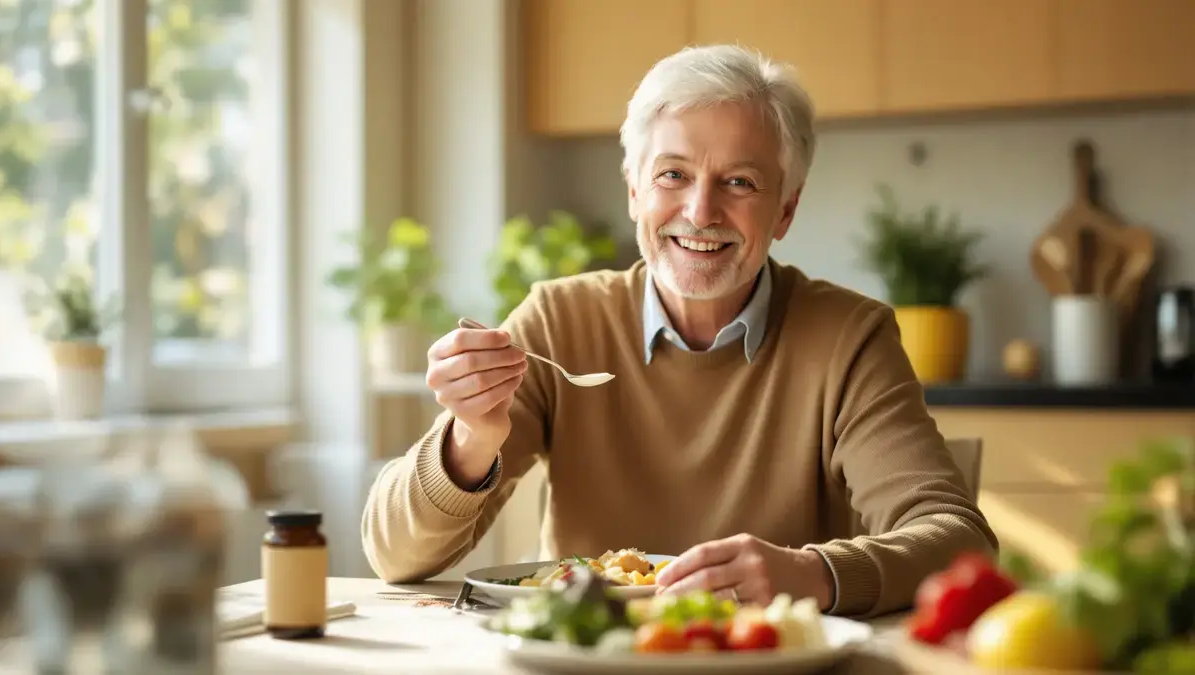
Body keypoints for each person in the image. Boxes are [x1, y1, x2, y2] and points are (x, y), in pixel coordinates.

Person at [361, 44, 998, 619]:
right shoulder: (559, 321)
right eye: (672, 175)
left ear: (785, 210)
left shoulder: (848, 337)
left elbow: (958, 538)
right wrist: (472, 438)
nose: (700, 211)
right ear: (635, 190)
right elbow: (393, 559)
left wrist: (815, 573)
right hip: (586, 660)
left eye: (739, 182)